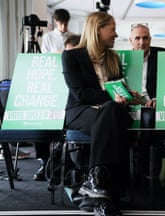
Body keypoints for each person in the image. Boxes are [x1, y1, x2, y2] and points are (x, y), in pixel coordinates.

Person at [62, 11, 141, 215]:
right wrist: (111, 96)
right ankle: (109, 192)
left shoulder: (113, 58)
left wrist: (126, 94)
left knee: (111, 112)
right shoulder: (71, 57)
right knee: (111, 115)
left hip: (112, 112)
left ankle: (96, 183)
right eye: (112, 29)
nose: (116, 34)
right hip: (81, 112)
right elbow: (81, 94)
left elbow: (116, 92)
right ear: (98, 30)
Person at [33, 8, 74, 181]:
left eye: (66, 23)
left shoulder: (73, 37)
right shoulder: (49, 37)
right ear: (56, 22)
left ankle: (62, 161)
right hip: (52, 82)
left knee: (64, 123)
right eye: (61, 23)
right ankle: (45, 161)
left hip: (70, 84)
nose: (63, 26)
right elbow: (45, 59)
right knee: (43, 120)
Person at [129, 23, 165, 108]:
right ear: (131, 41)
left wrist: (157, 98)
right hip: (131, 102)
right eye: (137, 38)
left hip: (153, 102)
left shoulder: (162, 54)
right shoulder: (125, 58)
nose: (142, 42)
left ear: (150, 40)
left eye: (145, 38)